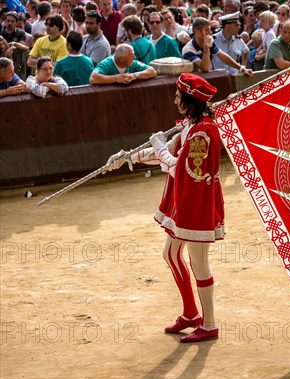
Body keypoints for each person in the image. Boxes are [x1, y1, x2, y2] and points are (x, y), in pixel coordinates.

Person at [105, 73, 225, 343]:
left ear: (189, 100)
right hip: (183, 198)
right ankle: (191, 314)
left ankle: (209, 323)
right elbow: (168, 152)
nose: (174, 100)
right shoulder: (191, 125)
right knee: (171, 254)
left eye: (177, 96)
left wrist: (159, 147)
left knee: (199, 263)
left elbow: (178, 167)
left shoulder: (203, 133)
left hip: (197, 201)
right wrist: (127, 158)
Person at [182, 17, 252, 75]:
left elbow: (223, 56)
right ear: (197, 32)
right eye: (207, 30)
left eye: (210, 29)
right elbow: (205, 68)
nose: (210, 33)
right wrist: (206, 47)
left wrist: (241, 68)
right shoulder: (188, 49)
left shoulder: (210, 41)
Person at [89, 43, 157, 84]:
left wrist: (135, 75)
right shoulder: (106, 64)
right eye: (131, 55)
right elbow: (93, 78)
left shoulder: (132, 63)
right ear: (122, 59)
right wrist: (115, 78)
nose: (134, 57)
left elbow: (152, 71)